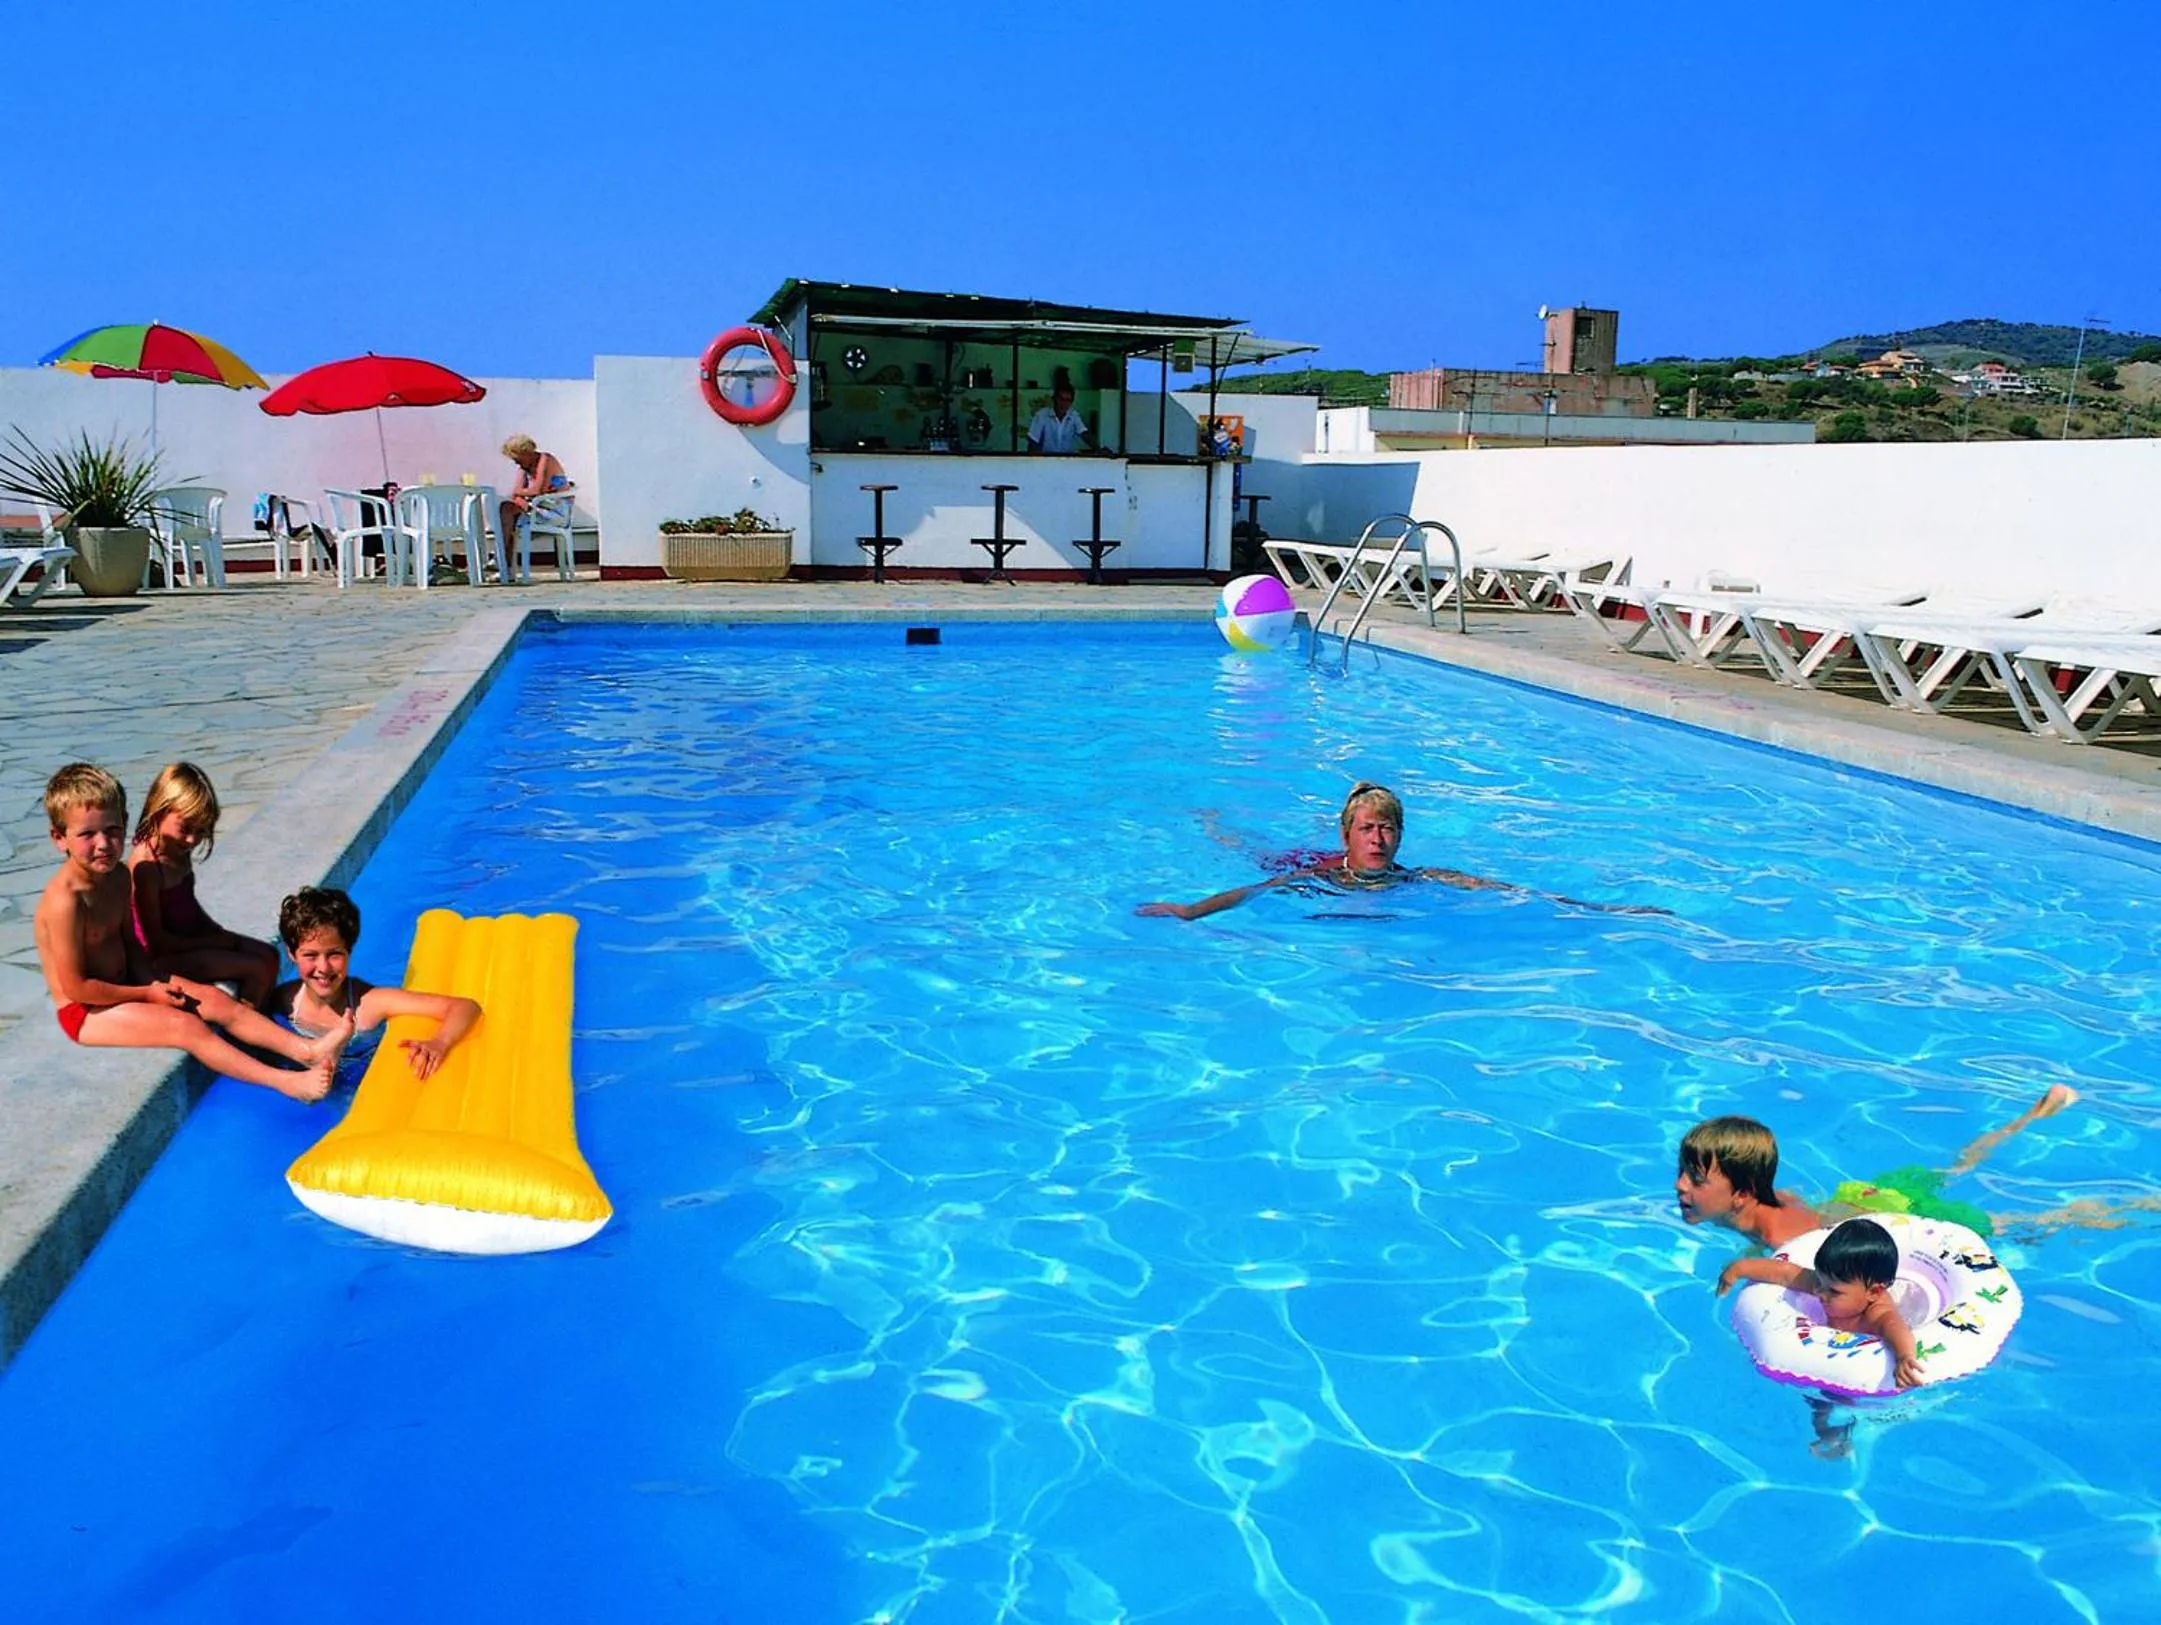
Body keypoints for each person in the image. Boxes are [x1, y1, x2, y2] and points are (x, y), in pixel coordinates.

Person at [33, 764, 348, 1103]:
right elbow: (77, 988)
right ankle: (285, 1082)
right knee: (186, 1028)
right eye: (87, 835)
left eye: (112, 830)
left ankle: (308, 1049)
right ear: (58, 838)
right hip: (86, 1012)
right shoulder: (66, 902)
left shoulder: (119, 877)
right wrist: (147, 994)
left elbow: (132, 948)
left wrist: (152, 982)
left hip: (129, 982)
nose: (104, 844)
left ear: (125, 821)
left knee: (216, 1000)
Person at [1137, 781, 1658, 921]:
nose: (1377, 840)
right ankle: (1215, 825)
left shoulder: (1417, 877)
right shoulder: (1325, 875)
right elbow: (1251, 893)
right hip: (1297, 865)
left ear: (1399, 836)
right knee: (1258, 854)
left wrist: (1598, 909)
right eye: (1366, 830)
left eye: (1386, 830)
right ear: (1347, 836)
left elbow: (1502, 889)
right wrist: (1189, 911)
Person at [266, 887, 481, 1083]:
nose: (323, 968)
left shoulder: (370, 1003)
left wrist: (440, 1043)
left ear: (349, 951)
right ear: (292, 954)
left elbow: (466, 1007)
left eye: (334, 954)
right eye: (310, 955)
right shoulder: (285, 1001)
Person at [128, 762, 280, 1006]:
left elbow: (188, 905)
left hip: (185, 944)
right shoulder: (147, 867)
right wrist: (214, 942)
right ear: (159, 811)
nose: (192, 839)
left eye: (201, 830)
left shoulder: (177, 850)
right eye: (185, 828)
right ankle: (244, 1029)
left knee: (270, 954)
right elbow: (156, 941)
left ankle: (258, 1015)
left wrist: (216, 932)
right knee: (256, 968)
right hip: (160, 960)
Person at [1719, 1217, 1925, 1390]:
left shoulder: (1877, 1314)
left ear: (1873, 1292)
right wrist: (1739, 1268)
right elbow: (1784, 1273)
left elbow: (1896, 1327)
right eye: (1818, 1281)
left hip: (1858, 1375)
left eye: (1833, 1291)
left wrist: (1905, 1356)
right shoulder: (1829, 1283)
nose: (1818, 1292)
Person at [499, 434, 570, 572]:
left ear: (526, 453)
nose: (516, 463)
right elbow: (516, 492)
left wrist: (521, 494)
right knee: (506, 509)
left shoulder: (546, 460)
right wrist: (520, 498)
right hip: (536, 508)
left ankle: (502, 561)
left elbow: (538, 490)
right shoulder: (524, 468)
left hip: (554, 510)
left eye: (517, 458)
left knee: (511, 520)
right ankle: (503, 563)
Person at [1027, 383, 1091, 455]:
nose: (1064, 403)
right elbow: (1033, 441)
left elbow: (1084, 434)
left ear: (1071, 402)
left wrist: (1099, 450)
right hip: (1046, 460)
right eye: (1061, 399)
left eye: (1068, 400)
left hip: (1067, 461)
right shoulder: (1041, 415)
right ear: (1054, 399)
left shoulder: (1074, 415)